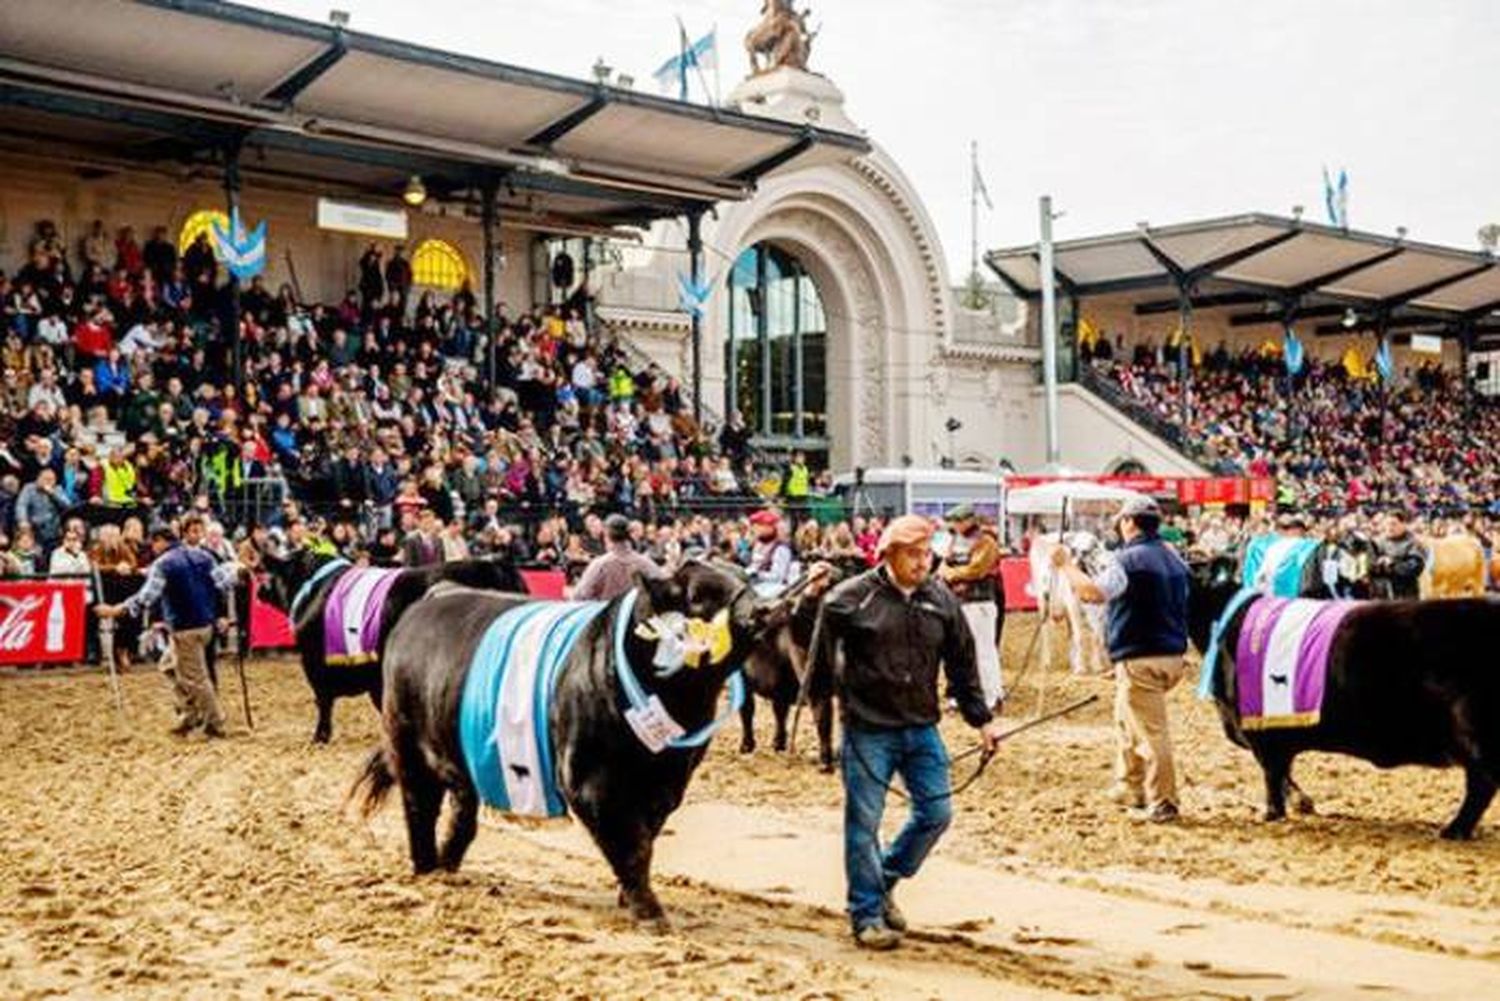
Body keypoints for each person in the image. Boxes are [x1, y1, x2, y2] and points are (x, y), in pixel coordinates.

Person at [806, 514, 1003, 950]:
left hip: (921, 727)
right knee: (864, 824)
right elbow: (817, 661)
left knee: (936, 814)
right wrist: (823, 716)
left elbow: (963, 665)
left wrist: (982, 719)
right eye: (912, 554)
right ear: (888, 555)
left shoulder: (941, 601)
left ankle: (883, 881)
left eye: (926, 553)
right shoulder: (847, 600)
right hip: (867, 729)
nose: (922, 562)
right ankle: (866, 916)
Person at [1052, 496, 1190, 823]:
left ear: (1128, 522)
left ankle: (1163, 801)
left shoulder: (1126, 560)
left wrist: (1065, 565)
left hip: (1140, 655)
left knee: (1151, 733)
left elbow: (1092, 593)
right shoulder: (1174, 559)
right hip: (1172, 654)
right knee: (1126, 719)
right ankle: (1129, 785)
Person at [96, 516, 240, 738]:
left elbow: (146, 596)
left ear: (160, 541)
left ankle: (215, 722)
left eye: (153, 544)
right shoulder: (203, 555)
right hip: (205, 626)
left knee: (196, 678)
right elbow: (222, 581)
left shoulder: (164, 564)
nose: (152, 549)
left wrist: (115, 610)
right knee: (169, 665)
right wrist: (239, 572)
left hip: (185, 628)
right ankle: (190, 716)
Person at [939, 504, 1005, 709]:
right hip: (959, 601)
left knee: (984, 650)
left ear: (969, 520)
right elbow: (943, 564)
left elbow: (977, 570)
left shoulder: (986, 541)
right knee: (960, 650)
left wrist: (951, 574)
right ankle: (962, 694)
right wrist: (948, 571)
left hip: (980, 601)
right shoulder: (955, 541)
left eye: (958, 521)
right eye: (953, 522)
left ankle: (992, 695)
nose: (955, 525)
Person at [573, 513, 662, 601]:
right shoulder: (645, 563)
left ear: (606, 536)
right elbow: (661, 585)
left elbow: (579, 596)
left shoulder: (600, 565)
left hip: (609, 613)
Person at [1371, 511, 1425, 599]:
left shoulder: (1413, 543)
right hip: (1382, 595)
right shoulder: (1377, 543)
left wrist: (1392, 563)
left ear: (1403, 524)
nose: (1389, 527)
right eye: (1387, 524)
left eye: (1393, 524)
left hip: (1405, 595)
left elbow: (1415, 568)